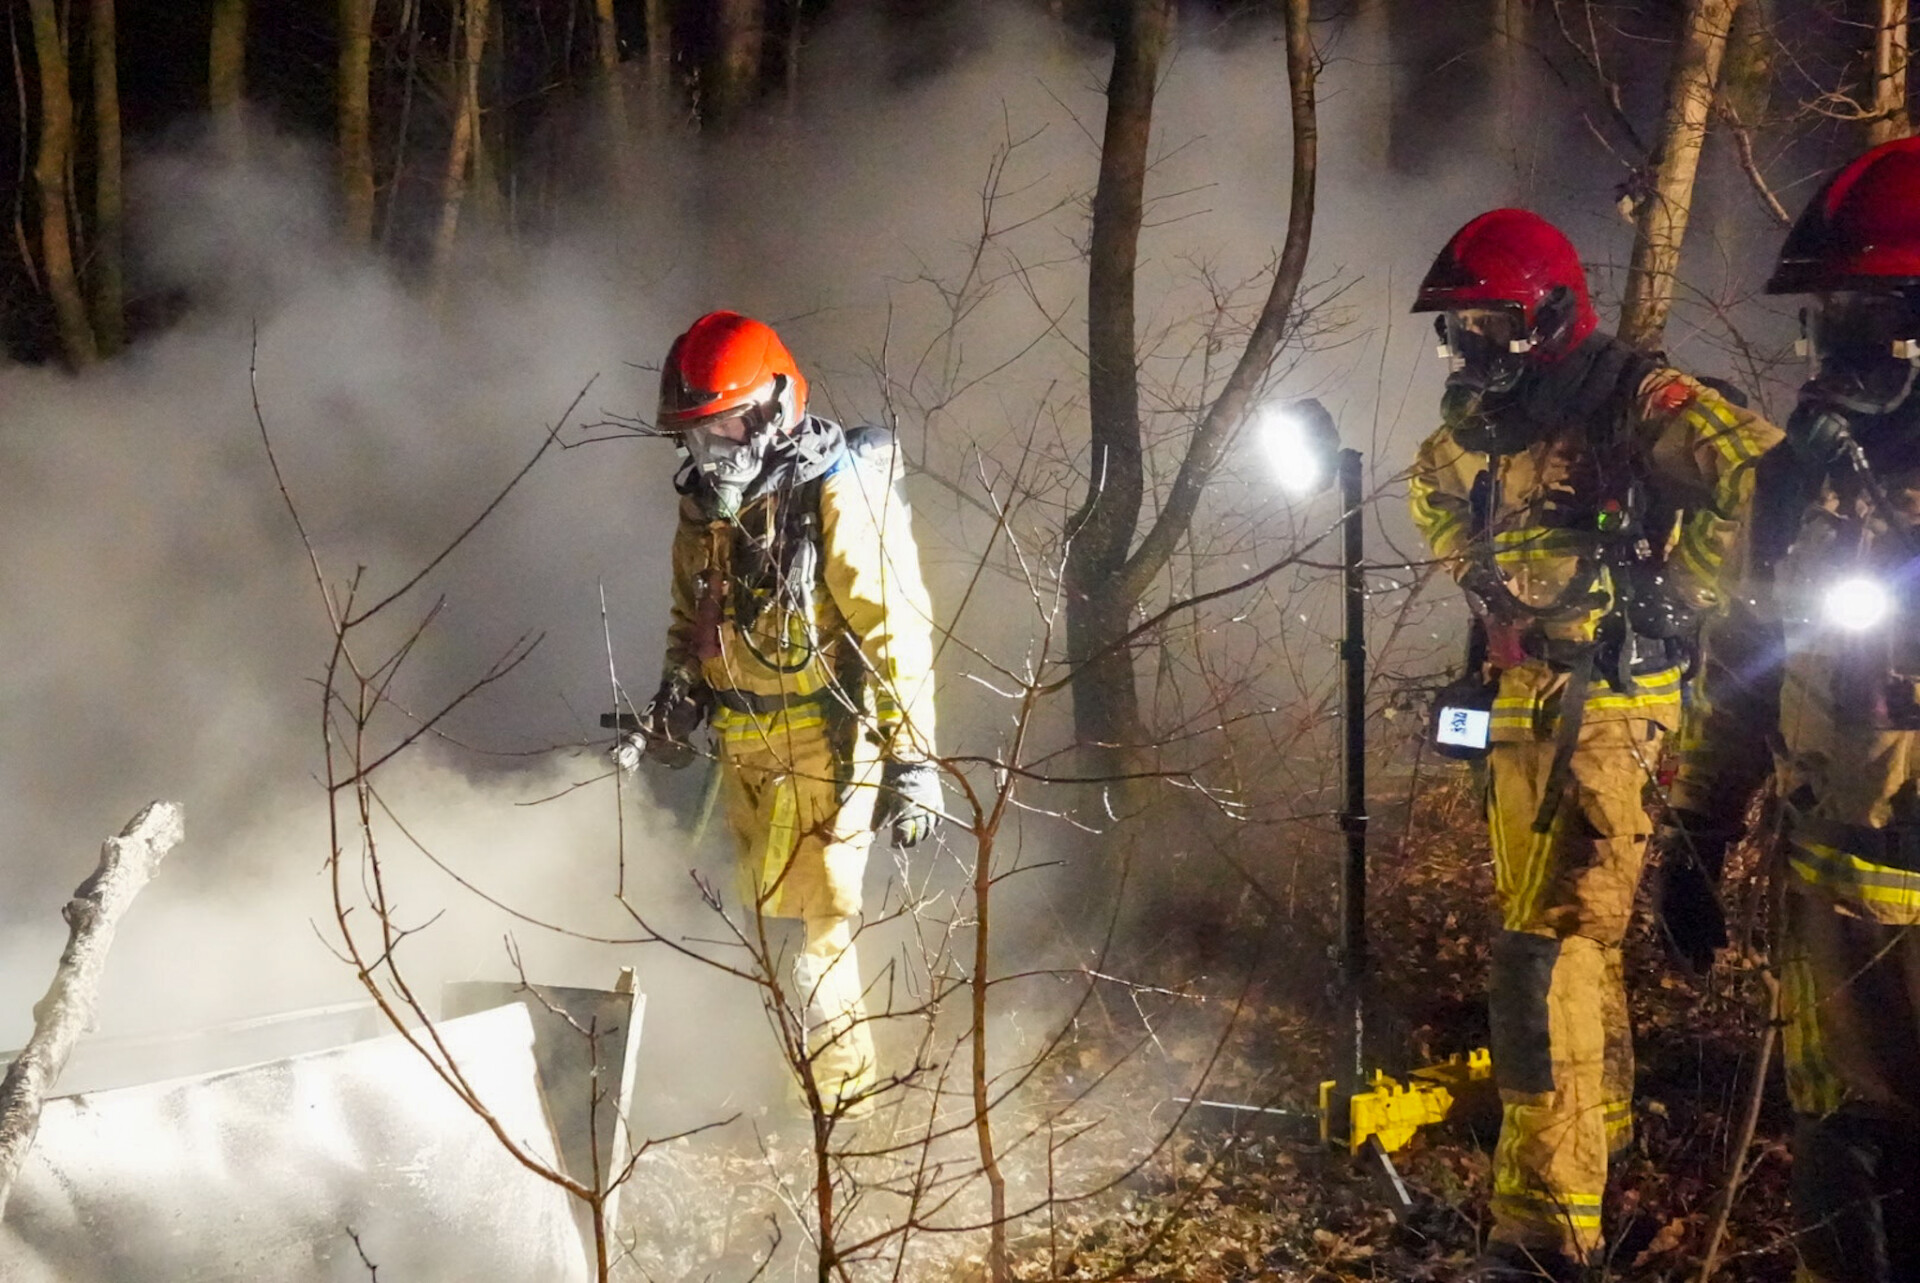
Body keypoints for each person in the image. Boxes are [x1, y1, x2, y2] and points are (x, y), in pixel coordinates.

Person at [1406, 209, 1782, 1280]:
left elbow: (1762, 473)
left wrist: (1687, 587)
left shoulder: (1635, 402)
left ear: (1550, 316)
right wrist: (1479, 579)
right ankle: (1596, 1146)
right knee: (1569, 943)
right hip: (1518, 708)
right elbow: (1429, 486)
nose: (1472, 347)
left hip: (1613, 712)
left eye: (1492, 323)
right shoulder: (1481, 429)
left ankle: (1543, 1230)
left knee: (1547, 952)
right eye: (1461, 327)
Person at [1659, 136, 1920, 1283]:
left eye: (1865, 319)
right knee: (1842, 1172)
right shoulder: (1793, 481)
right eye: (1826, 321)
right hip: (1833, 914)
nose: (1832, 351)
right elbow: (1747, 660)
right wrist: (1698, 829)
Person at [615, 310, 942, 1119]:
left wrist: (913, 759)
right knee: (766, 930)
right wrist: (677, 697)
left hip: (825, 742)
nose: (710, 452)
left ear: (773, 407)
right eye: (696, 436)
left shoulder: (836, 492)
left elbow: (894, 629)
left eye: (723, 427)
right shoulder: (707, 507)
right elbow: (690, 614)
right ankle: (787, 1090)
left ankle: (840, 1120)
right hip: (745, 746)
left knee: (813, 943)